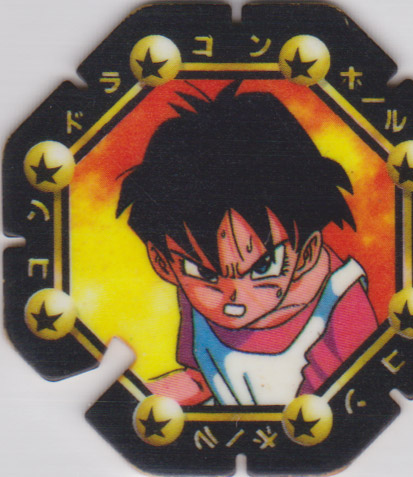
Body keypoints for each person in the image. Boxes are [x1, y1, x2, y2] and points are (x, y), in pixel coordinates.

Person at [116, 82, 378, 405]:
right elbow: (201, 380)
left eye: (263, 266)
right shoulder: (193, 291)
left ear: (307, 252)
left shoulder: (341, 305)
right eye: (206, 273)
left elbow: (336, 415)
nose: (234, 298)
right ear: (163, 263)